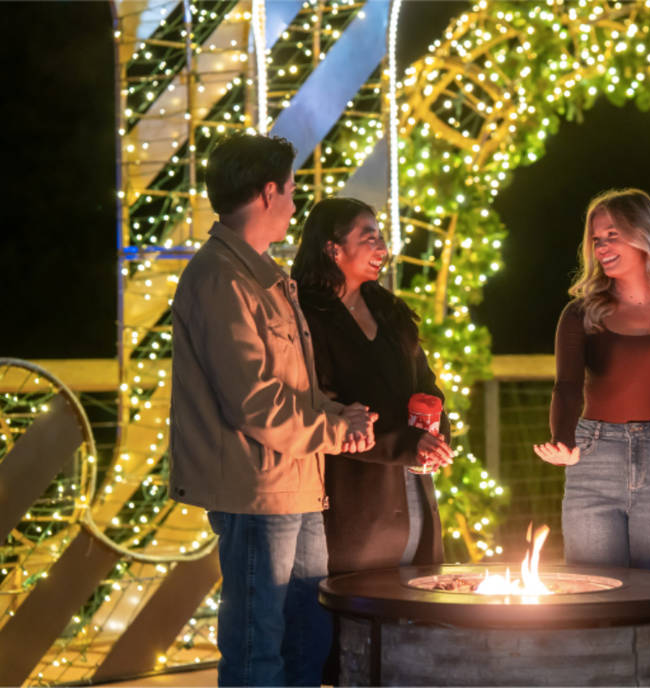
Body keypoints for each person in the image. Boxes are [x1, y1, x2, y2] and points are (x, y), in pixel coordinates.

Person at [169, 134, 377, 687]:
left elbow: (288, 389)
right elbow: (254, 402)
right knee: (258, 648)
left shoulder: (262, 276)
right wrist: (336, 428)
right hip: (257, 494)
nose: (293, 202)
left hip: (295, 484)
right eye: (289, 190)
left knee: (305, 641)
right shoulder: (221, 278)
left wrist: (341, 416)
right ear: (266, 193)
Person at [533, 188, 650, 681]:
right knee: (593, 604)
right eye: (596, 238)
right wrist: (563, 441)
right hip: (594, 461)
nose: (602, 247)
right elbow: (567, 387)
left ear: (645, 236)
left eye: (613, 235)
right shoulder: (581, 314)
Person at [291, 197, 452, 575]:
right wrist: (407, 444)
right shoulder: (306, 318)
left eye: (381, 238)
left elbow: (425, 383)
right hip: (355, 503)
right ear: (333, 248)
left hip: (414, 494)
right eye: (370, 238)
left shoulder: (389, 311)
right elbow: (324, 404)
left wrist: (437, 435)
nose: (382, 248)